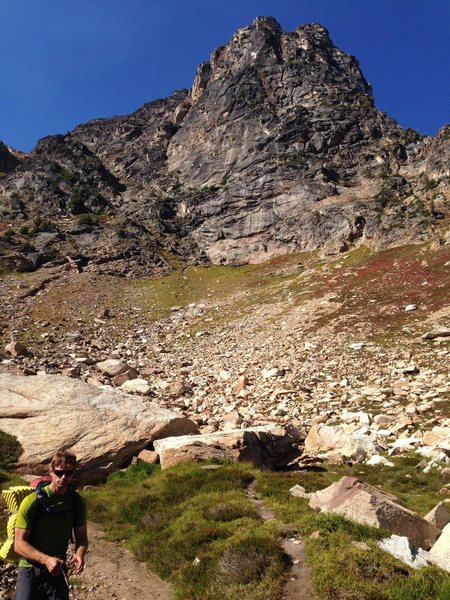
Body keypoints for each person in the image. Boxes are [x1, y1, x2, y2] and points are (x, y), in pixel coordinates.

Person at [14, 449, 88, 600]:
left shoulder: (76, 502)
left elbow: (82, 537)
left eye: (68, 473)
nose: (63, 477)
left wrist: (80, 554)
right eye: (59, 472)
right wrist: (46, 560)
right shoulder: (32, 502)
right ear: (50, 471)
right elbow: (19, 544)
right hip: (30, 567)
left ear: (74, 474)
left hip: (58, 569)